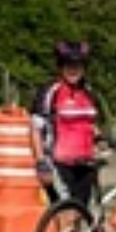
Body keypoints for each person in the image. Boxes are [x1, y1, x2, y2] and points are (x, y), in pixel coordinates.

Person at [31, 40, 104, 213]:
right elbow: (35, 129)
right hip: (59, 165)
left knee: (80, 218)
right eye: (68, 65)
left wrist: (100, 140)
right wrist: (41, 162)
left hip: (85, 164)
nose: (73, 70)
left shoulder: (89, 92)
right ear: (60, 66)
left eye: (77, 65)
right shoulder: (51, 91)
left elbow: (91, 125)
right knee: (67, 217)